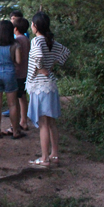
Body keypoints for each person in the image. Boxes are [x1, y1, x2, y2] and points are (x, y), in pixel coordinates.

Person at [27, 11, 70, 168]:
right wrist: (51, 66)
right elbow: (65, 53)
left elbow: (38, 55)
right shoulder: (50, 41)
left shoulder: (36, 41)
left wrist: (40, 68)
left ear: (35, 26)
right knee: (51, 123)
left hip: (40, 86)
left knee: (43, 124)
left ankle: (44, 158)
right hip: (51, 85)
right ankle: (54, 154)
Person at [0, 20, 23, 139]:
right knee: (12, 104)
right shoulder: (15, 44)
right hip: (10, 74)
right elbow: (18, 61)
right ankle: (15, 131)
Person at [13, 18, 30, 131]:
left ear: (15, 29)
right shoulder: (26, 39)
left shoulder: (17, 40)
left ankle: (20, 121)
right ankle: (24, 120)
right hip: (25, 71)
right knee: (22, 97)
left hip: (18, 72)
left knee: (16, 99)